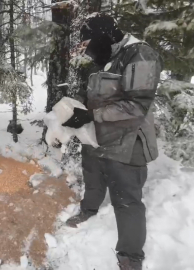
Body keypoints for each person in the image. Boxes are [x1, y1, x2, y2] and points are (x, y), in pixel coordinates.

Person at [62, 14, 163, 270]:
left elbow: (137, 105)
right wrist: (76, 110)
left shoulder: (139, 55)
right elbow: (101, 96)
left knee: (126, 200)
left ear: (105, 36)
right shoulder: (110, 58)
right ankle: (89, 210)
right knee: (92, 174)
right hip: (98, 136)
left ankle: (130, 257)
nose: (89, 52)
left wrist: (92, 115)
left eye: (90, 44)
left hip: (128, 142)